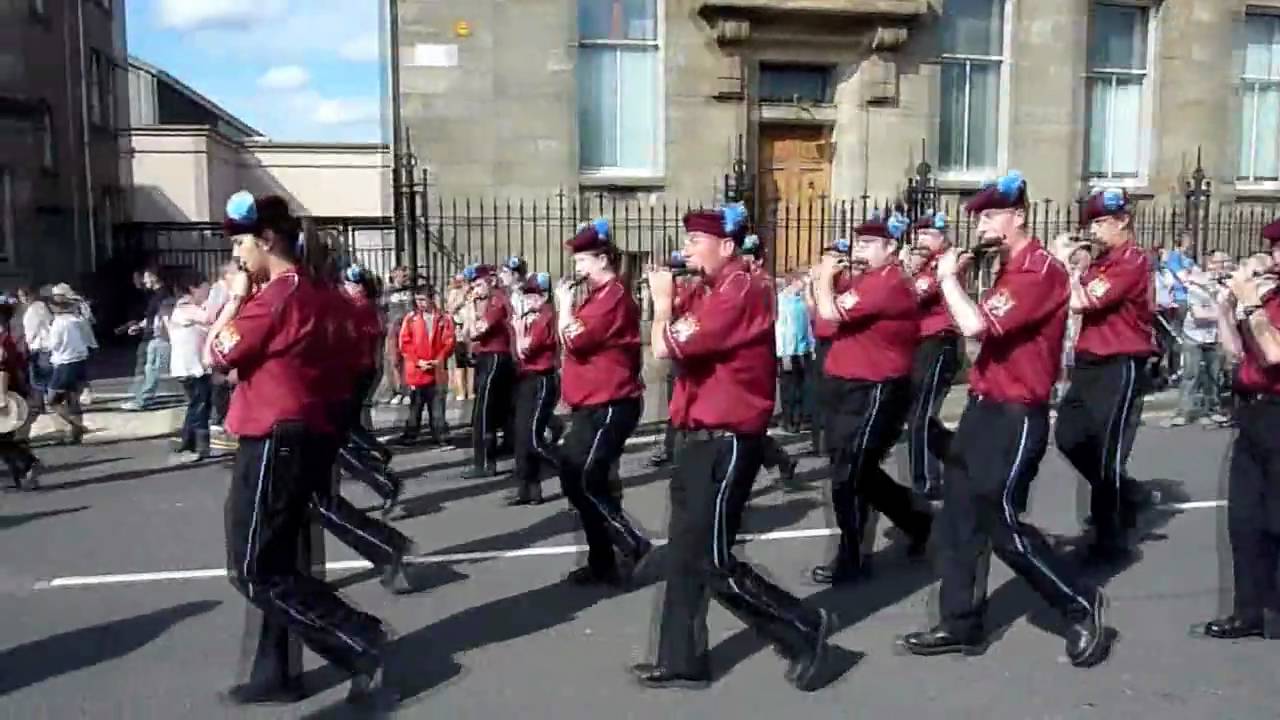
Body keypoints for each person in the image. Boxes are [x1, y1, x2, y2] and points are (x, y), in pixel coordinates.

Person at [899, 170, 1111, 668]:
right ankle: (960, 623)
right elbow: (983, 342)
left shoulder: (1037, 270)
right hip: (983, 408)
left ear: (1017, 217)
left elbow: (974, 324)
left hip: (1016, 414)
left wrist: (950, 276)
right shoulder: (1007, 268)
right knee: (957, 521)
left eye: (990, 215)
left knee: (1001, 522)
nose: (980, 225)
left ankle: (1078, 604)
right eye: (980, 216)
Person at [634, 204, 835, 692]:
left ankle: (802, 627)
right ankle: (681, 659)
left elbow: (665, 348)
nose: (684, 252)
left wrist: (662, 303)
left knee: (712, 558)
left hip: (726, 440)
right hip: (696, 435)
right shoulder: (708, 289)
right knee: (684, 554)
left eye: (694, 242)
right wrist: (668, 299)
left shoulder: (742, 288)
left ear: (726, 246)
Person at [206, 191, 393, 706]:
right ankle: (276, 670)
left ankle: (359, 637)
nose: (237, 255)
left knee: (253, 568)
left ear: (267, 239)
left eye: (242, 242)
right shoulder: (321, 294)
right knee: (279, 561)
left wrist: (236, 297)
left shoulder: (276, 296)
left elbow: (218, 352)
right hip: (301, 434)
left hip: (274, 437)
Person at [810, 212, 932, 585]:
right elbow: (823, 325)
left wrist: (821, 281)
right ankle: (916, 518)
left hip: (875, 388)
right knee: (852, 472)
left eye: (868, 244)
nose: (859, 251)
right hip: (844, 385)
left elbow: (829, 311)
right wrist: (824, 290)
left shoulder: (887, 282)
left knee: (852, 473)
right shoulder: (865, 280)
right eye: (857, 243)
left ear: (890, 247)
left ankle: (852, 556)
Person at [1055, 188, 1156, 562]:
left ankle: (1110, 534)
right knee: (1068, 436)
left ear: (1122, 221)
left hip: (1120, 361)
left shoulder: (1131, 261)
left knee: (1108, 449)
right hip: (1089, 360)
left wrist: (1066, 266)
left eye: (1100, 222)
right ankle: (1129, 495)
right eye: (1091, 222)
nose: (1093, 230)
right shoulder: (1102, 261)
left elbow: (1081, 301)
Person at [554, 218, 653, 586]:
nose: (576, 267)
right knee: (576, 475)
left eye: (582, 260)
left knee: (585, 477)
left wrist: (563, 305)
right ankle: (603, 560)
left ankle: (630, 544)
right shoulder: (597, 296)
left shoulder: (611, 297)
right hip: (591, 402)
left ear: (601, 260)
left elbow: (575, 339)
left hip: (611, 402)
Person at [1201, 220, 1280, 640]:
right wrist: (1225, 308)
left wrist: (1250, 304)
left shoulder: (1267, 303)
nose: (1274, 257)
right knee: (1245, 519)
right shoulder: (1268, 298)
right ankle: (1248, 610)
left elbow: (1273, 353)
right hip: (1253, 412)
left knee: (1277, 518)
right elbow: (1237, 352)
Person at [907, 211, 966, 501]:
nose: (920, 240)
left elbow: (915, 295)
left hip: (939, 341)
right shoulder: (922, 265)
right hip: (921, 343)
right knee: (919, 415)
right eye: (918, 234)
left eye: (927, 234)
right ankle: (961, 460)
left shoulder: (946, 261)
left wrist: (910, 271)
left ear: (942, 237)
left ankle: (926, 482)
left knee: (921, 416)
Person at [509, 273, 559, 506]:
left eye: (534, 296)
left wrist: (518, 330)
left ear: (545, 297)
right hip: (526, 378)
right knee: (521, 435)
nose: (529, 301)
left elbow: (526, 350)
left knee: (532, 437)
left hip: (542, 378)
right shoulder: (531, 318)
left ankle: (571, 469)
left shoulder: (546, 318)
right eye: (527, 297)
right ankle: (526, 488)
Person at [464, 264, 515, 479]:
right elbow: (467, 334)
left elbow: (476, 331)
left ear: (490, 282)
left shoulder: (496, 301)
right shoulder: (488, 302)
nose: (475, 290)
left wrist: (469, 311)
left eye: (478, 284)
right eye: (473, 285)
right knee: (493, 410)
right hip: (486, 357)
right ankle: (498, 452)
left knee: (483, 413)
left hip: (495, 356)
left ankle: (484, 462)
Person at [397, 285, 456, 447]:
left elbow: (449, 341)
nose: (420, 304)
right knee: (415, 406)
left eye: (423, 300)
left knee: (437, 405)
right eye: (417, 300)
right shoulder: (411, 318)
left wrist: (440, 359)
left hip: (436, 369)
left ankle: (440, 434)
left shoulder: (444, 319)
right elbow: (405, 343)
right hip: (417, 370)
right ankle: (411, 433)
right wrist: (417, 361)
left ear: (431, 299)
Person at [166, 270, 214, 460]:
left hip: (193, 366)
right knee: (200, 404)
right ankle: (198, 446)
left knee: (197, 404)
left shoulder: (188, 309)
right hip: (191, 368)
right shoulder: (185, 308)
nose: (208, 291)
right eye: (205, 288)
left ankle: (188, 441)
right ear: (193, 288)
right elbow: (208, 318)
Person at [0, 301, 39, 489]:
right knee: (6, 439)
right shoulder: (9, 340)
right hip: (14, 392)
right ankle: (23, 474)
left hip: (5, 394)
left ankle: (27, 463)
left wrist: (1, 398)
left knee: (4, 440)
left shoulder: (1, 343)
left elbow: (3, 372)